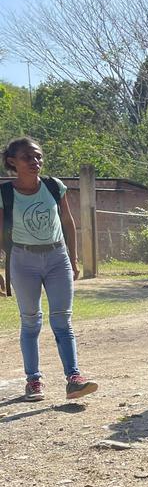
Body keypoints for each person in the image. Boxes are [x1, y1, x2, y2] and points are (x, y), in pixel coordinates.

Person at [1, 137, 98, 401]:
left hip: (57, 258)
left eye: (38, 157)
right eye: (27, 158)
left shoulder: (54, 186)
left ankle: (74, 379)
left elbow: (67, 222)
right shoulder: (5, 193)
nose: (35, 162)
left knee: (62, 320)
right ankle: (33, 381)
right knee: (30, 321)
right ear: (12, 162)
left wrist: (74, 258)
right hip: (23, 260)